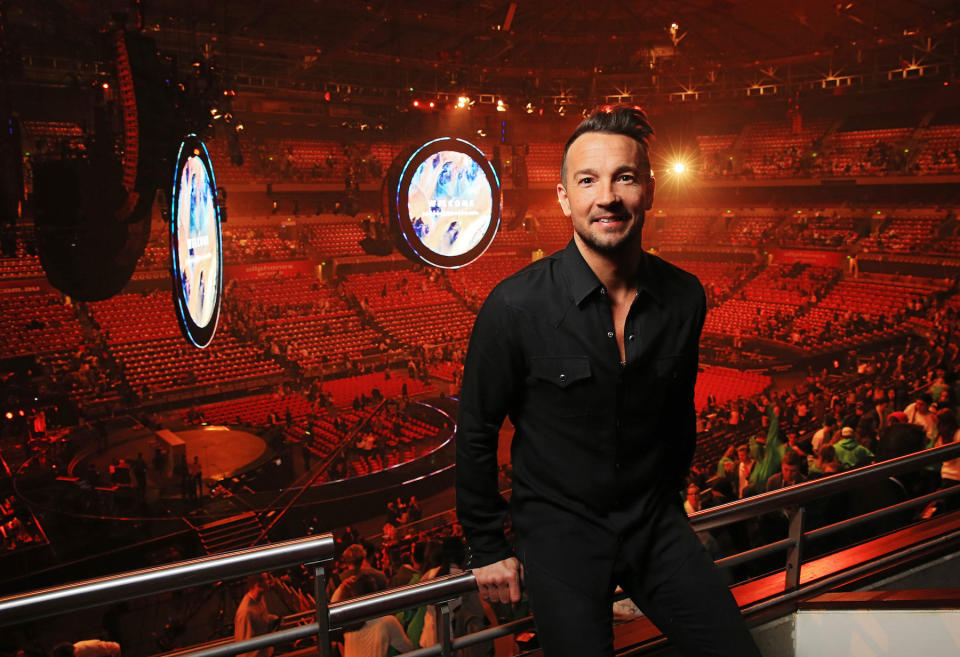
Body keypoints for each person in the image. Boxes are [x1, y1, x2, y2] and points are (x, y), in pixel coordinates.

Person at [456, 105, 761, 657]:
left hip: (654, 525)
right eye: (588, 180)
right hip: (559, 536)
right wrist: (485, 545)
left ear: (649, 189)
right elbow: (476, 427)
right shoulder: (513, 305)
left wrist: (666, 503)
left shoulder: (686, 296)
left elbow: (677, 413)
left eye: (624, 177)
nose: (607, 197)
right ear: (564, 197)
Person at [234, 573, 279, 657]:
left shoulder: (260, 598)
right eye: (267, 579)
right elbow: (245, 651)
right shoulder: (245, 612)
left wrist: (273, 619)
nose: (270, 582)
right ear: (258, 584)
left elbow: (260, 618)